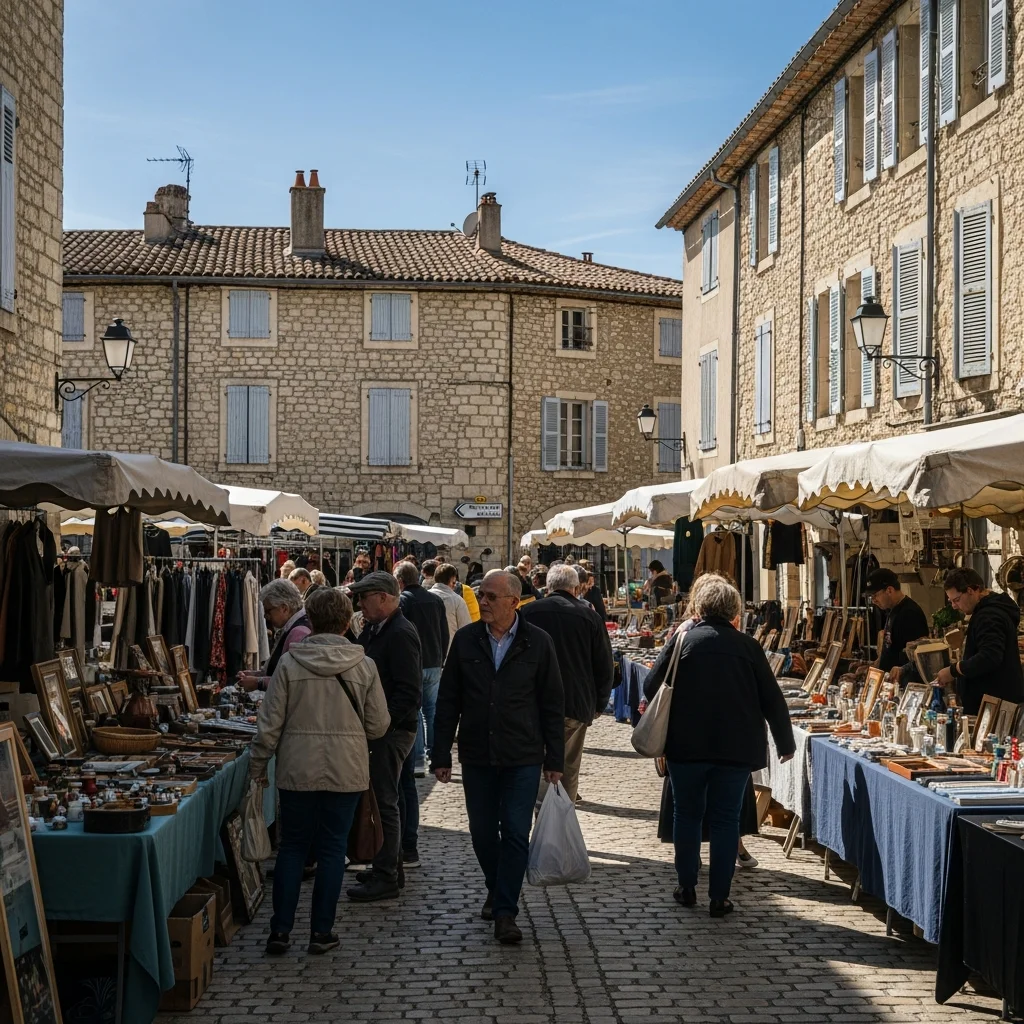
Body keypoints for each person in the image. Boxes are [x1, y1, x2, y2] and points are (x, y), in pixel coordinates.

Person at [642, 574, 794, 917]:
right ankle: (720, 897)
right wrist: (785, 742)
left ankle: (686, 886)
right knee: (726, 820)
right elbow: (773, 699)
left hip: (686, 746)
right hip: (734, 748)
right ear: (734, 612)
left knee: (687, 815)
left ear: (699, 608)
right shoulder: (748, 647)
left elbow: (651, 686)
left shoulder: (683, 641)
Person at [250, 587, 390, 956]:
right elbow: (378, 725)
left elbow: (269, 724)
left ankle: (280, 930)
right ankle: (321, 931)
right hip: (346, 769)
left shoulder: (290, 664)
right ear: (346, 623)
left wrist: (258, 764)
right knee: (332, 850)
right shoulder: (363, 666)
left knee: (293, 847)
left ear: (310, 621)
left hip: (298, 767)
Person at [433, 570, 565, 944]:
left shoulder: (537, 642)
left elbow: (552, 703)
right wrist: (440, 753)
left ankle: (505, 911)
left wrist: (555, 759)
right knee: (482, 832)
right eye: (482, 595)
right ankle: (498, 886)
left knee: (516, 832)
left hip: (523, 754)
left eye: (491, 596)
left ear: (513, 602)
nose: (483, 602)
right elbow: (448, 700)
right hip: (477, 753)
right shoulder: (466, 640)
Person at [345, 572, 422, 902]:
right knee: (390, 799)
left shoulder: (400, 632)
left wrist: (383, 725)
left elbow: (409, 691)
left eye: (364, 597)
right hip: (385, 728)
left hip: (391, 731)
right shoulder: (378, 629)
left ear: (384, 598)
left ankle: (387, 874)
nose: (360, 603)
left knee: (385, 801)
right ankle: (389, 865)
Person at [519, 564, 613, 802]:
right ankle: (563, 813)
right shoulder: (590, 616)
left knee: (535, 760)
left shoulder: (528, 612)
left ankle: (539, 811)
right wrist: (599, 703)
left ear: (548, 586)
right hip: (575, 702)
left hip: (534, 700)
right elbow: (604, 664)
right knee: (569, 765)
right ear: (576, 588)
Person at [935, 567, 1024, 714]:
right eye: (951, 601)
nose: (954, 606)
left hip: (995, 707)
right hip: (994, 703)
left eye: (956, 600)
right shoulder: (988, 611)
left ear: (971, 591)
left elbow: (989, 657)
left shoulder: (988, 616)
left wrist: (953, 670)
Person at [394, 561, 448, 775]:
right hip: (434, 661)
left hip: (414, 663)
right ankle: (435, 756)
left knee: (414, 711)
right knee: (431, 711)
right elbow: (444, 632)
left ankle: (417, 760)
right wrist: (441, 657)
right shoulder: (435, 600)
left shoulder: (404, 601)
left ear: (400, 581)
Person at [238, 580, 311, 692]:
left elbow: (292, 680)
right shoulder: (292, 627)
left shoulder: (299, 632)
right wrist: (257, 675)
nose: (265, 616)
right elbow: (279, 671)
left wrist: (258, 682)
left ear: (284, 608)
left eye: (268, 611)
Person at [865, 568, 929, 682]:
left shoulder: (910, 613)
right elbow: (891, 648)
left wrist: (902, 670)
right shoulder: (892, 610)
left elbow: (920, 656)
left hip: (903, 684)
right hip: (890, 682)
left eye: (875, 595)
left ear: (889, 590)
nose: (873, 600)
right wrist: (872, 666)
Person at [431, 563, 472, 650]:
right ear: (452, 579)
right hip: (450, 651)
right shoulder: (457, 600)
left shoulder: (424, 598)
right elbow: (466, 629)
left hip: (427, 651)